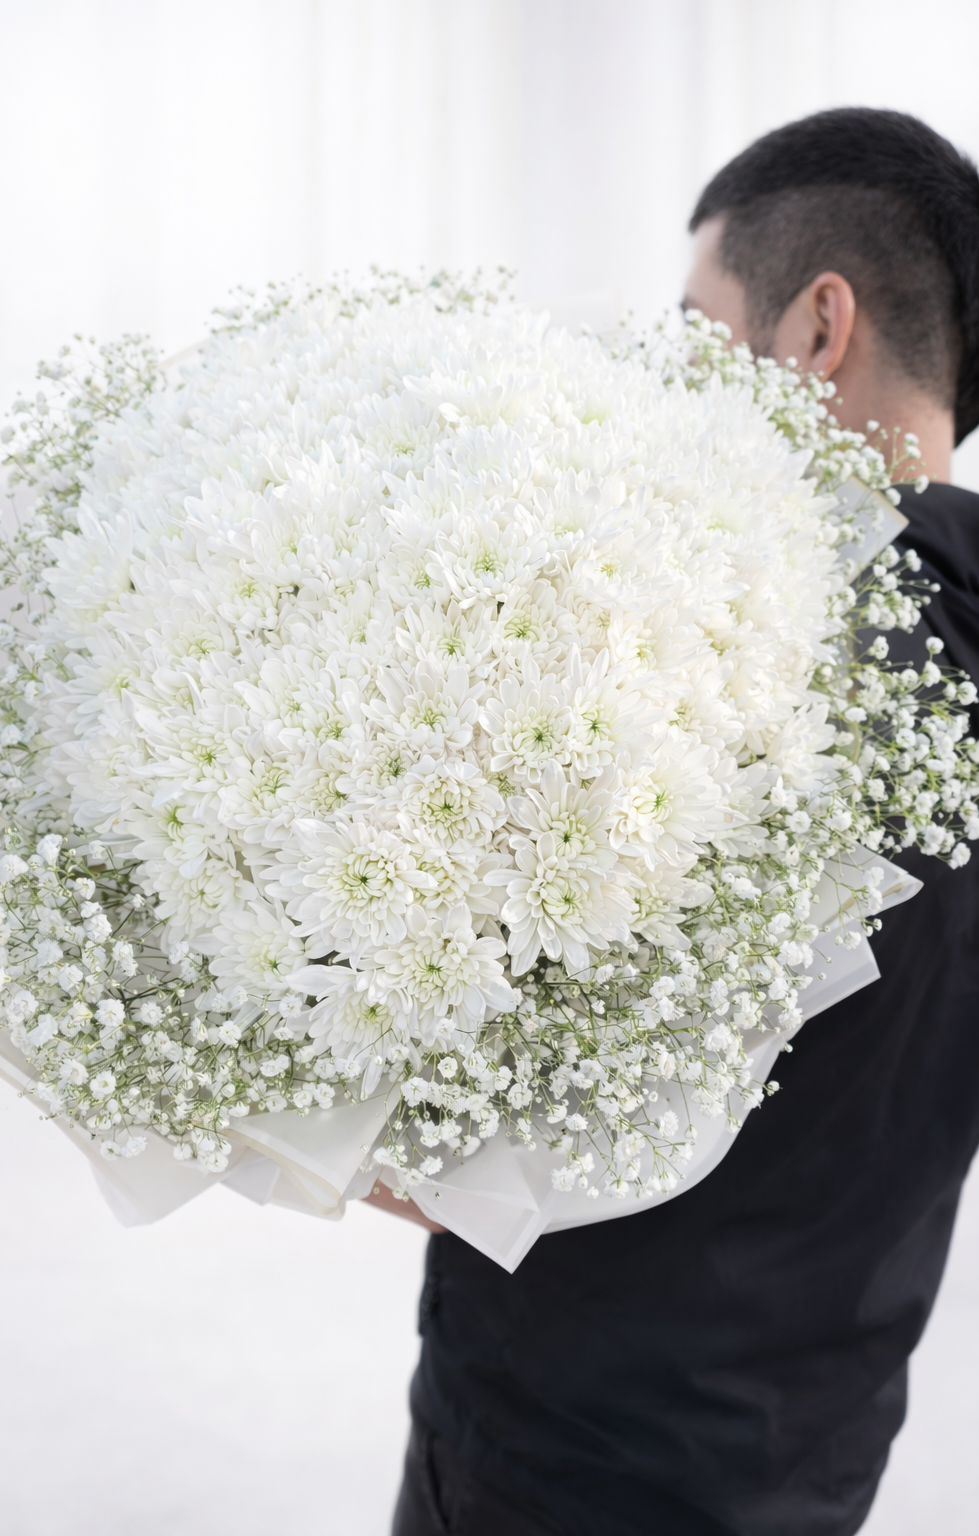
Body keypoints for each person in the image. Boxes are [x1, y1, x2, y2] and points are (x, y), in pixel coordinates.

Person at [387, 109, 979, 1536]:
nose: (672, 377)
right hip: (810, 1445)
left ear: (818, 325)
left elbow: (488, 1138)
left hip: (560, 1447)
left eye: (698, 326)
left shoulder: (708, 658)